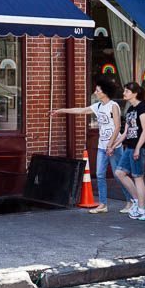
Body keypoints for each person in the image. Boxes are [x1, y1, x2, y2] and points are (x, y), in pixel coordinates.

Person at [49, 78, 122, 214]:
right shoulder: (98, 106)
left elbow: (118, 127)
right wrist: (61, 110)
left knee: (119, 175)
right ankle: (103, 204)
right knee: (100, 174)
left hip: (114, 146)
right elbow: (80, 110)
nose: (95, 92)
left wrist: (111, 145)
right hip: (102, 145)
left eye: (98, 90)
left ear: (104, 92)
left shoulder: (113, 106)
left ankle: (133, 200)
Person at [113, 82, 145, 221]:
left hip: (139, 147)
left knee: (138, 177)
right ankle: (137, 200)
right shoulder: (130, 110)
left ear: (135, 93)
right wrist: (113, 145)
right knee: (119, 173)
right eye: (124, 91)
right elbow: (125, 133)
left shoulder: (142, 109)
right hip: (129, 146)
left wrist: (138, 148)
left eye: (127, 91)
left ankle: (141, 210)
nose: (124, 93)